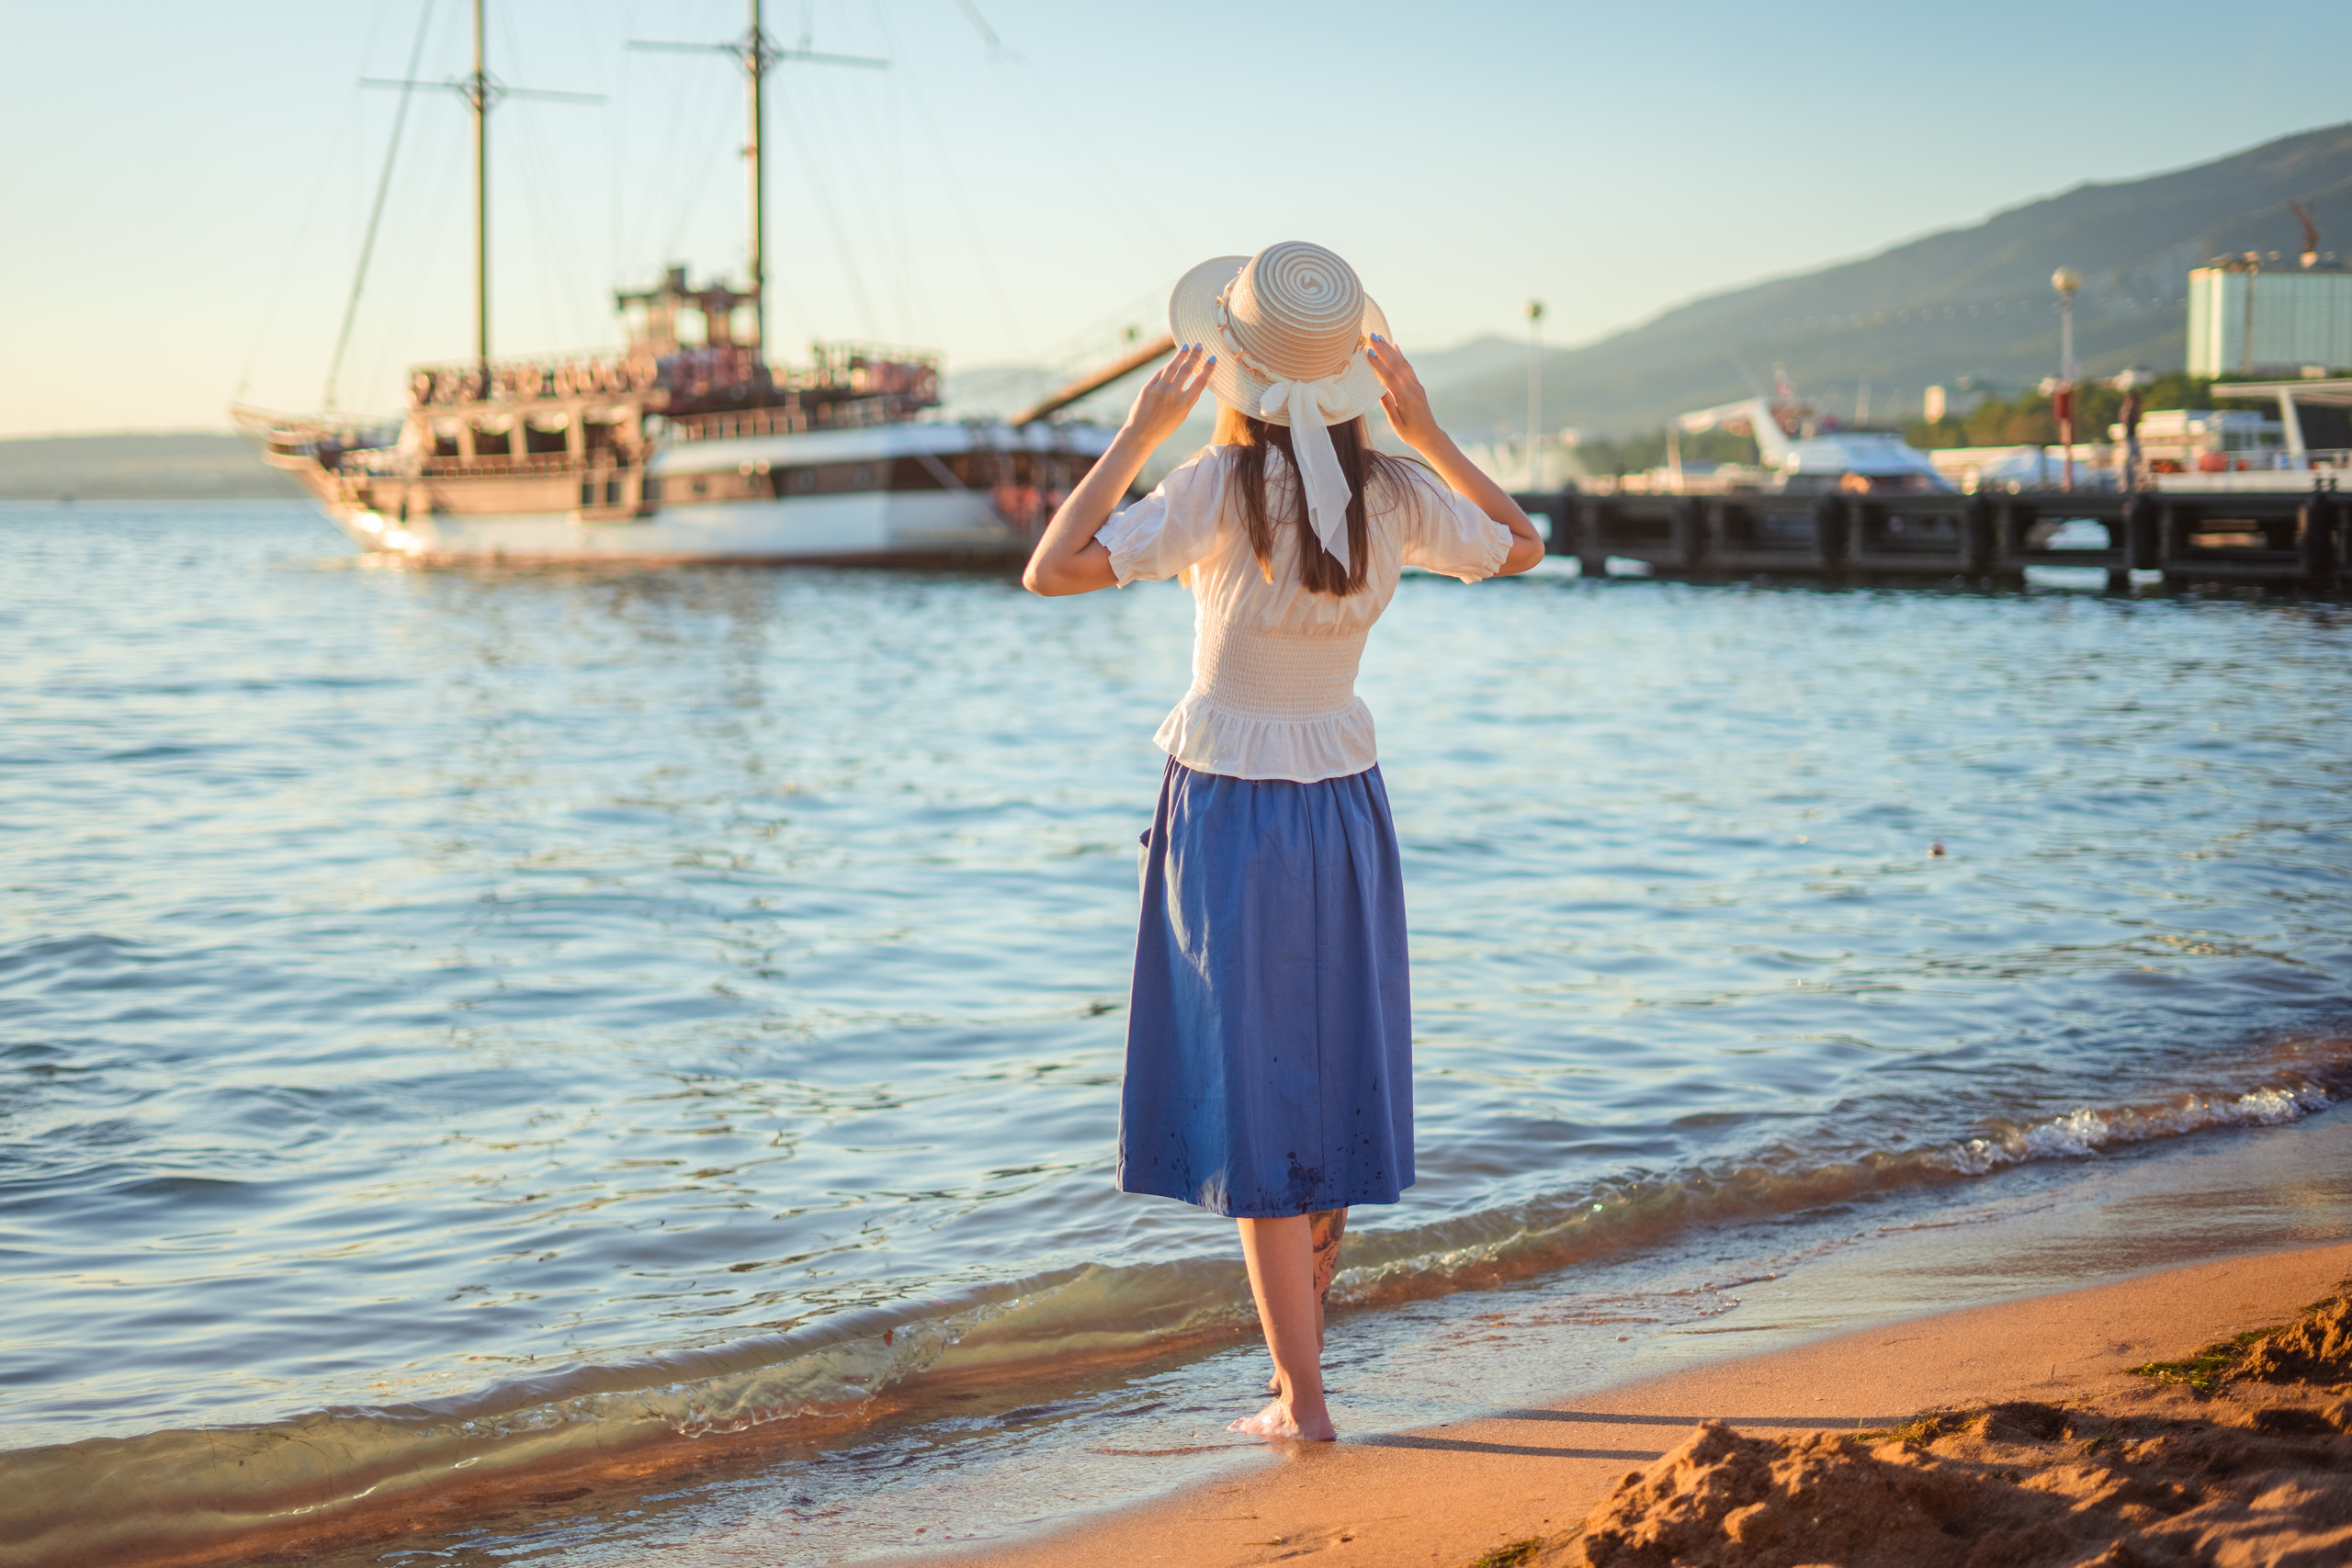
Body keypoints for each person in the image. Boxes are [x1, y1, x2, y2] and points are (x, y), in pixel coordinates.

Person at [1023, 242, 1545, 1440]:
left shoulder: (1215, 488)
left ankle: (1304, 1401)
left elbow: (1050, 570)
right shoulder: (1397, 491)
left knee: (1256, 1094)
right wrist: (1428, 427)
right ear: (1354, 374)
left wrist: (1134, 435)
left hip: (1229, 804)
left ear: (1232, 373)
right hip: (1344, 802)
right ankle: (1293, 1379)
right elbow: (1525, 545)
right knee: (1326, 1070)